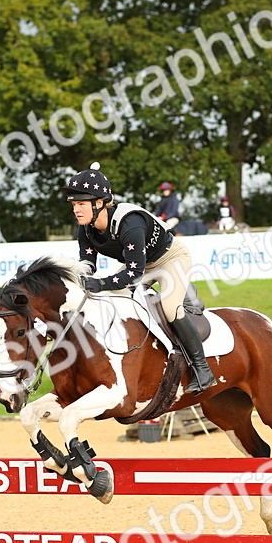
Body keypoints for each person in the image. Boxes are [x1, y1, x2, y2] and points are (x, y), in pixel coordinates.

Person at [63, 163, 214, 394]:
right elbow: (88, 264)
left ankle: (203, 369)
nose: (76, 210)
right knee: (115, 300)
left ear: (100, 203)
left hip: (169, 259)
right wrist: (77, 279)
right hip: (141, 264)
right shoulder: (86, 227)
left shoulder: (129, 224)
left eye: (81, 204)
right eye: (74, 204)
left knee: (170, 307)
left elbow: (133, 274)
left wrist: (102, 284)